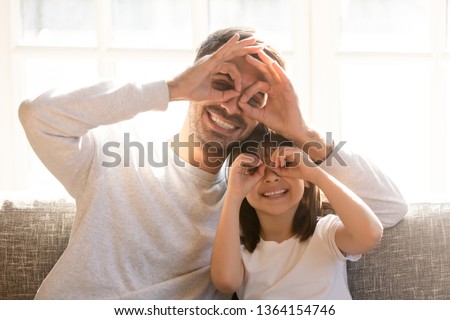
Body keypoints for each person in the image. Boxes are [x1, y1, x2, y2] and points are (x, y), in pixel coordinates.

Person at [18, 27, 408, 299]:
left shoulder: (253, 195)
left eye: (254, 99)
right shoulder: (115, 154)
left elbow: (389, 208)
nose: (230, 104)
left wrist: (301, 129)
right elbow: (38, 115)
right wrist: (171, 89)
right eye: (221, 82)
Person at [210, 129, 383, 299]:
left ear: (306, 180)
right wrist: (234, 195)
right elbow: (226, 282)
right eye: (254, 170)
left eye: (285, 164)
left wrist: (315, 174)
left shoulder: (326, 232)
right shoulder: (240, 252)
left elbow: (371, 234)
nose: (271, 178)